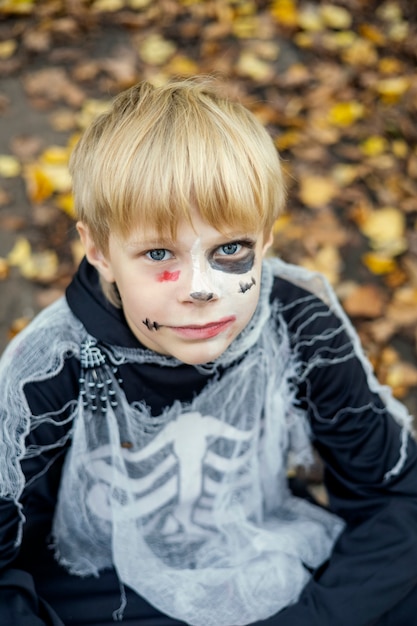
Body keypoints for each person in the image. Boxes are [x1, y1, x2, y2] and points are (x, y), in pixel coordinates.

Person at [0, 77, 417, 626]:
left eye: (230, 249)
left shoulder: (298, 323)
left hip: (266, 556)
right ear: (98, 250)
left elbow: (394, 493)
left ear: (265, 240)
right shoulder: (50, 366)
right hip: (102, 591)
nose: (201, 289)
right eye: (157, 252)